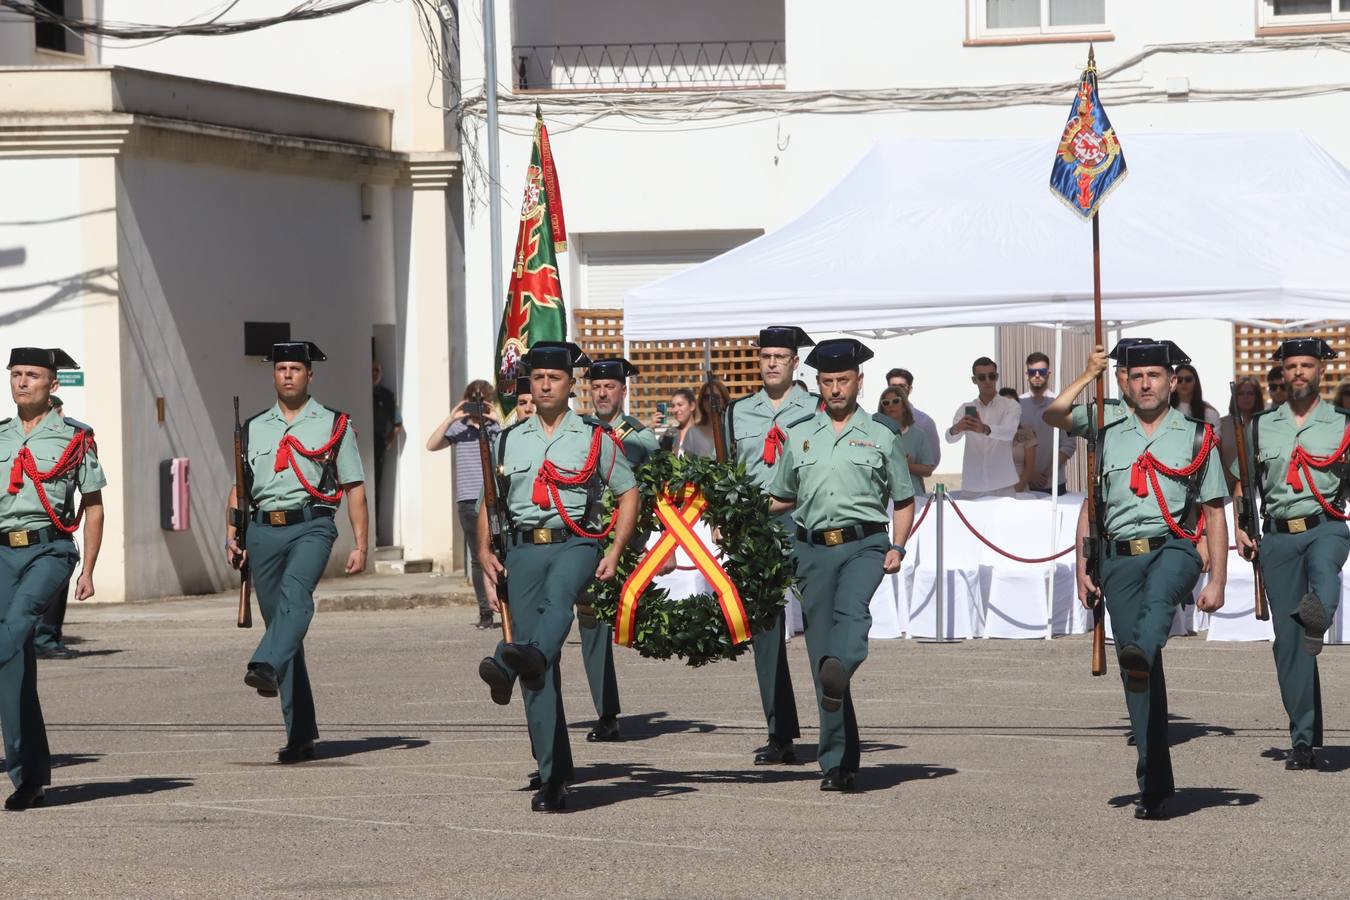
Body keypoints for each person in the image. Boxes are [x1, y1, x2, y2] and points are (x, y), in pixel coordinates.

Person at [475, 342, 639, 813]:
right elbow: (493, 504)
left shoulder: (593, 436)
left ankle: (506, 663)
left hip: (576, 541)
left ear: (571, 385)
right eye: (538, 377)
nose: (545, 385)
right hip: (522, 551)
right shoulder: (507, 439)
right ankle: (553, 775)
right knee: (538, 669)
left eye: (555, 378)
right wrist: (484, 551)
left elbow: (628, 492)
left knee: (559, 603)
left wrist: (615, 548)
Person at [1075, 340, 1227, 821]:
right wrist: (1087, 372)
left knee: (1156, 610)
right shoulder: (1105, 429)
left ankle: (1145, 640)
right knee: (1138, 674)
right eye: (1135, 375)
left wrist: (1218, 580)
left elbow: (1216, 513)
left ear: (1172, 380)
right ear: (1123, 380)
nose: (1145, 383)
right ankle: (1155, 784)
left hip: (1175, 547)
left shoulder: (1196, 434)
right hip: (1119, 558)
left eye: (1155, 375)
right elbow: (1059, 419)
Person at [768, 338, 914, 791]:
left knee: (850, 618)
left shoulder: (882, 434)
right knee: (822, 663)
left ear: (859, 382)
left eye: (843, 381)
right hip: (810, 550)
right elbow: (782, 496)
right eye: (827, 382)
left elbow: (905, 500)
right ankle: (838, 762)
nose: (835, 390)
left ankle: (846, 659)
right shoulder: (799, 433)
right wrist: (736, 507)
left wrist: (899, 546)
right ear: (818, 383)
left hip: (864, 546)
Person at [226, 341, 368, 765]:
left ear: (310, 375)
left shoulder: (333, 424)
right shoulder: (252, 428)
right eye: (281, 368)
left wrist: (361, 544)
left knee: (295, 596)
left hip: (312, 525)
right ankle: (300, 733)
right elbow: (240, 487)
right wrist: (233, 533)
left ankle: (263, 663)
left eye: (295, 368)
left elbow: (354, 486)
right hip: (263, 532)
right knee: (281, 629)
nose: (287, 374)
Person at [1234, 338, 1350, 771]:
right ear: (1281, 373)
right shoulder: (1260, 426)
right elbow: (1243, 481)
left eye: (1307, 365)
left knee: (1322, 580)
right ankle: (1302, 740)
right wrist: (1241, 528)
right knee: (1289, 644)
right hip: (1278, 537)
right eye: (1291, 366)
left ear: (1321, 370)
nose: (1299, 372)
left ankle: (1318, 614)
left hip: (1326, 527)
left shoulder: (1343, 423)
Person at [0, 348, 105, 810]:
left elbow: (95, 505)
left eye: (33, 376)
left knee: (21, 618)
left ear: (53, 384)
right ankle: (31, 778)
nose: (22, 383)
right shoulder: (0, 437)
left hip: (50, 549)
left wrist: (90, 568)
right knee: (14, 673)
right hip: (2, 550)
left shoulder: (76, 438)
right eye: (16, 375)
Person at [724, 325, 818, 766]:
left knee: (819, 627)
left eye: (782, 356)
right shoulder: (737, 413)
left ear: (795, 362)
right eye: (767, 356)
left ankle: (834, 735)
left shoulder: (816, 407)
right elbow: (728, 471)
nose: (773, 363)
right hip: (755, 531)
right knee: (765, 633)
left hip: (803, 526)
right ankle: (779, 732)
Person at [575, 356, 660, 744]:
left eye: (610, 386)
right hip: (586, 538)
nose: (602, 392)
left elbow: (655, 489)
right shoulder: (578, 432)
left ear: (623, 392)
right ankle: (606, 712)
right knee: (590, 623)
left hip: (625, 545)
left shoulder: (639, 438)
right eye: (596, 387)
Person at [427, 379, 501, 629]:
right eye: (473, 401)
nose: (477, 407)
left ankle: (505, 605)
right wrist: (451, 417)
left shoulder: (495, 430)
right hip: (468, 500)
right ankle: (485, 613)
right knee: (478, 557)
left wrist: (497, 418)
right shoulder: (459, 428)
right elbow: (431, 445)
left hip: (494, 498)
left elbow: (508, 445)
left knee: (501, 552)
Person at [946, 357, 1021, 497]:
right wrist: (956, 428)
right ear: (974, 380)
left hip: (1003, 485)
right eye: (982, 377)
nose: (987, 381)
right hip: (973, 486)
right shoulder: (965, 408)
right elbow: (949, 439)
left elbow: (1009, 432)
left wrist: (985, 429)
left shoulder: (1011, 405)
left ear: (997, 377)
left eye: (992, 376)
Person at [1018, 352, 1077, 494]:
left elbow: (1069, 444)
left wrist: (1046, 473)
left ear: (1048, 373)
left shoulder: (1060, 403)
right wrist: (1030, 474)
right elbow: (1013, 444)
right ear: (1027, 374)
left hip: (1054, 483)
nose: (1037, 375)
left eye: (1042, 371)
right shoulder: (1018, 404)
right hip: (1024, 482)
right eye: (1032, 372)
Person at [878, 386, 935, 495]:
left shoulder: (919, 435)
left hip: (913, 497)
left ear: (904, 406)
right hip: (885, 498)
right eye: (886, 403)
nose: (890, 405)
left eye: (895, 401)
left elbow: (928, 470)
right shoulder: (876, 434)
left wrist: (908, 467)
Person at [886, 368, 941, 470]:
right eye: (893, 386)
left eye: (902, 386)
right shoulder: (876, 421)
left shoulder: (925, 422)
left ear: (910, 389)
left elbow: (933, 461)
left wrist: (910, 466)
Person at [1219, 377, 1265, 494]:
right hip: (1227, 490)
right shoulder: (1222, 424)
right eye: (1241, 393)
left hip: (1260, 489)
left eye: (1250, 393)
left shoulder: (1265, 424)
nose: (1246, 397)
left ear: (1257, 397)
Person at [371, 359, 403, 509]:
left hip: (377, 444)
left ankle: (374, 528)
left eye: (377, 370)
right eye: (372, 369)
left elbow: (397, 424)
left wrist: (387, 443)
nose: (374, 373)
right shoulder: (356, 390)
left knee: (376, 485)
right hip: (356, 441)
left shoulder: (386, 396)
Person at [1000, 387, 1038, 493]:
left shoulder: (1027, 433)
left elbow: (1029, 468)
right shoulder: (991, 433)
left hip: (1020, 491)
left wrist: (1017, 489)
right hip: (996, 491)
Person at [1170, 363, 1221, 427]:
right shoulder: (1163, 411)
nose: (1183, 383)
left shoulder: (1209, 413)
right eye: (1179, 380)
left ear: (1195, 382)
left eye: (1188, 379)